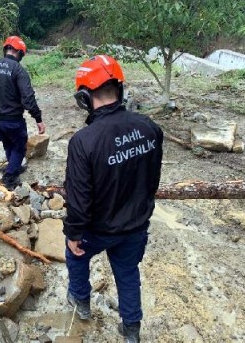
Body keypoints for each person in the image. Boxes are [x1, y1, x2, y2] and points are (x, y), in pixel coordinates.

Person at [63, 55, 164, 343]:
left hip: (99, 230)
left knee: (75, 253)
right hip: (135, 225)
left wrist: (73, 233)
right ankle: (131, 329)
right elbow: (151, 181)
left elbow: (79, 200)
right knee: (128, 272)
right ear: (119, 90)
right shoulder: (150, 128)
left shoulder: (83, 141)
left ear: (84, 97)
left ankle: (81, 302)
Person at [0, 35, 46, 189]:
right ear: (19, 52)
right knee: (19, 147)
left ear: (6, 49)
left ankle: (14, 167)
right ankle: (9, 178)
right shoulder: (18, 70)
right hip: (13, 120)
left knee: (8, 143)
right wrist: (38, 119)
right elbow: (28, 98)